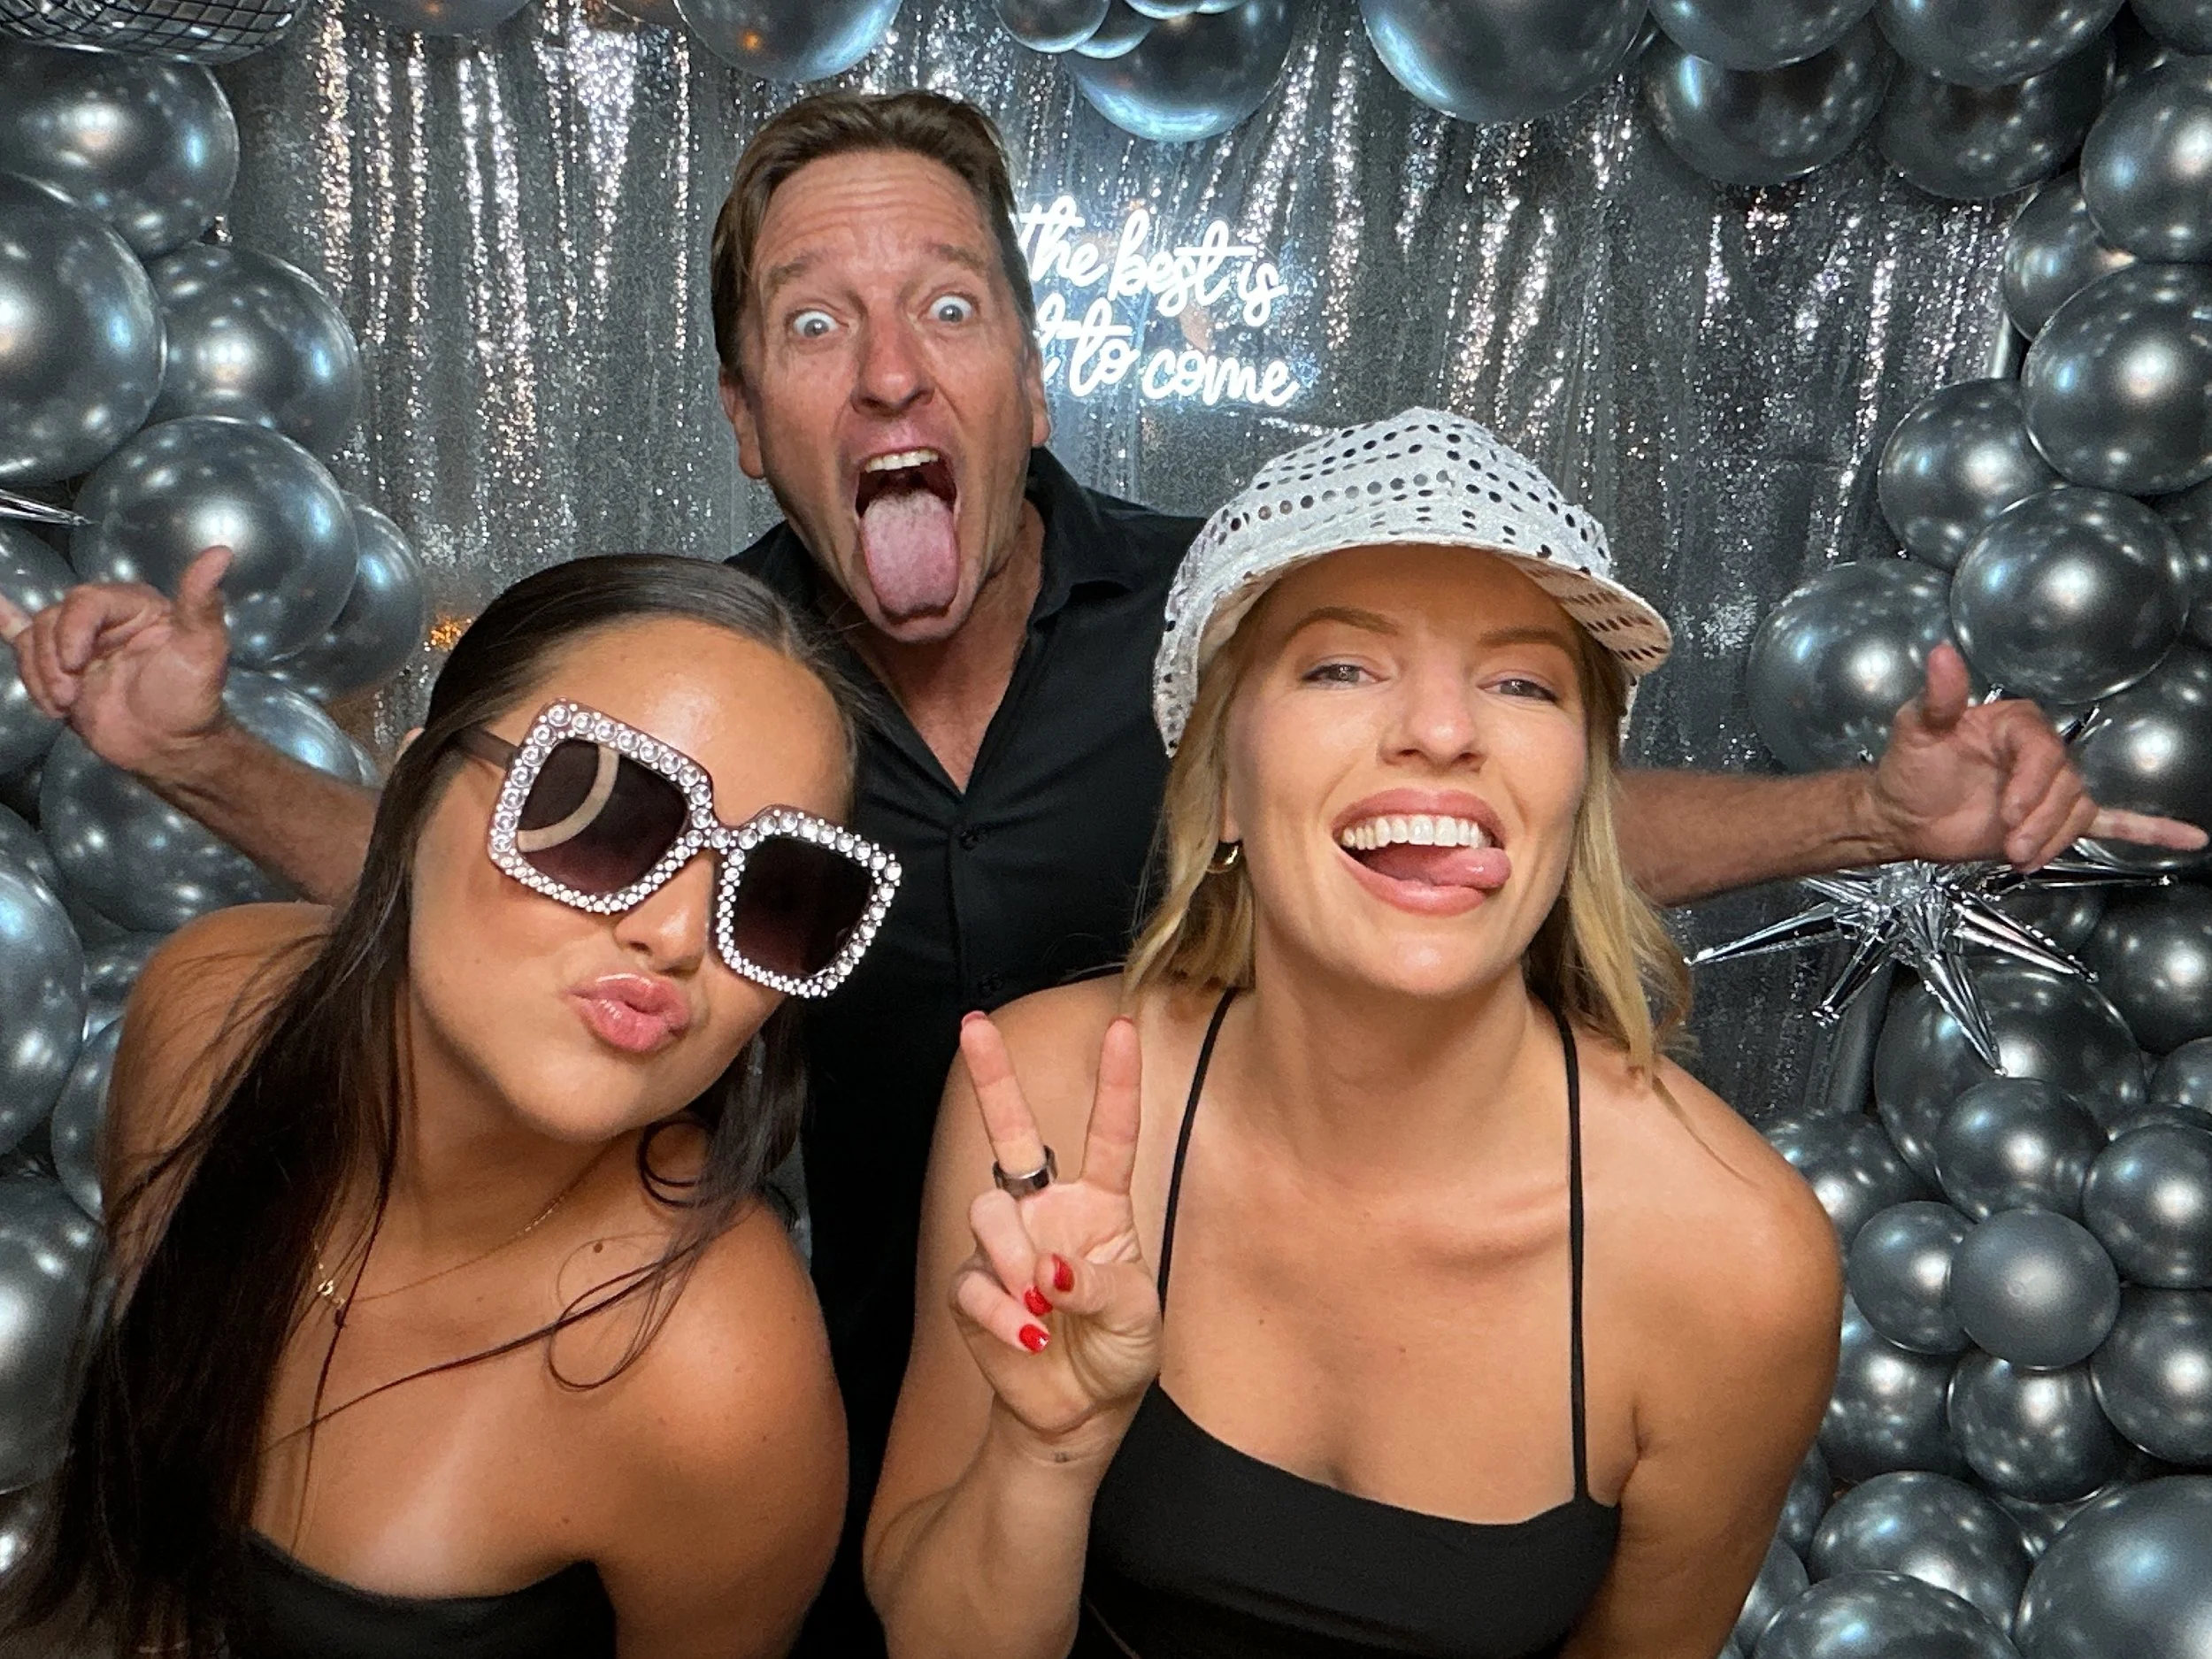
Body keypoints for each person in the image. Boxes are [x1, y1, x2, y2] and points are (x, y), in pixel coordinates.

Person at [1, 91, 2197, 1655]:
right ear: (748, 411)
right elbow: (505, 885)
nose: (890, 363)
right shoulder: (717, 696)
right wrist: (204, 761)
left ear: (1028, 358)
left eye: (948, 304)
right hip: (789, 1384)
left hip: (1089, 1378)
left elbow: (1466, 827)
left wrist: (1858, 816)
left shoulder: (1224, 642)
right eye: (812, 323)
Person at [867, 411, 1841, 1659]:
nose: (1442, 729)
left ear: (1577, 792)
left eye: (1522, 680)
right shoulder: (1045, 1093)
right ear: (1218, 777)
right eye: (1341, 665)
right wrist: (1044, 1449)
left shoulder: (1737, 1262)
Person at [0, 556, 895, 1658]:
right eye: (603, 810)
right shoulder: (211, 1017)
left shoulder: (717, 1370)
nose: (675, 933)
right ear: (417, 797)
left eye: (777, 895)